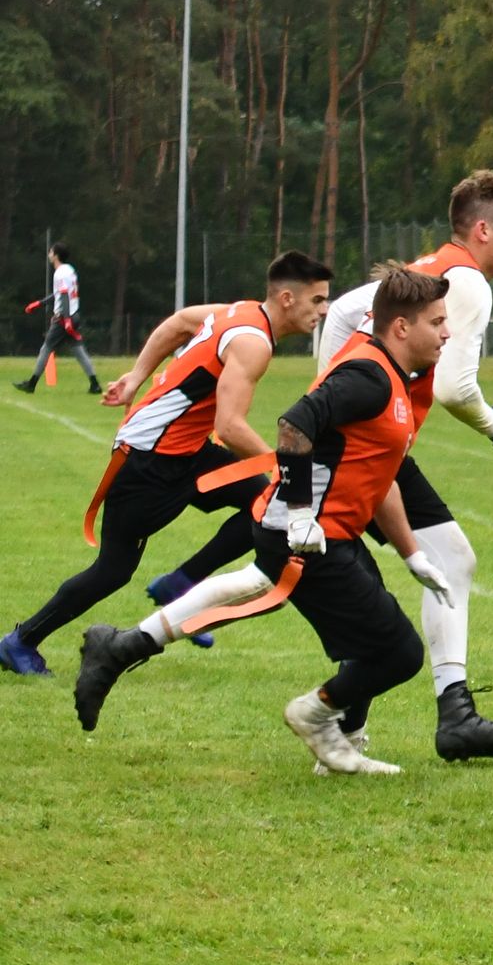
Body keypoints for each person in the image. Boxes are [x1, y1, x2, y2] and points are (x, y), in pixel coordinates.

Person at [70, 266, 458, 774]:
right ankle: (319, 721)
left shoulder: (392, 378)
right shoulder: (368, 377)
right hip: (308, 536)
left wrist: (412, 554)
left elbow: (379, 476)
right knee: (398, 652)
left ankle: (121, 646)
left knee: (273, 591)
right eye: (437, 322)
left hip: (318, 532)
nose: (447, 332)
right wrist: (300, 514)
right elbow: (293, 425)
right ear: (402, 327)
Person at [0, 254, 333, 681]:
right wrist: (287, 468)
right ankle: (21, 640)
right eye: (317, 300)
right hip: (149, 460)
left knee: (262, 502)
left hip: (186, 453)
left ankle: (181, 582)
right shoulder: (253, 342)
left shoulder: (238, 312)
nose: (324, 310)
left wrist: (136, 377)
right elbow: (230, 427)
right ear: (287, 298)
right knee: (113, 570)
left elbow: (178, 323)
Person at [314, 170, 493, 762]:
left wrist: (331, 391)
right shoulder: (469, 282)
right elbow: (455, 388)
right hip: (362, 450)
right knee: (283, 578)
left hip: (364, 446)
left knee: (445, 561)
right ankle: (136, 639)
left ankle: (447, 715)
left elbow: (342, 312)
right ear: (484, 229)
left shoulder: (430, 269)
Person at [15, 243, 103, 394]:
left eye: (51, 252)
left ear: (56, 255)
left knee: (46, 349)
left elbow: (63, 295)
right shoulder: (70, 270)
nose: (49, 254)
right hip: (74, 314)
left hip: (64, 317)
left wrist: (66, 319)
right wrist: (40, 303)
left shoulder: (60, 273)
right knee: (79, 351)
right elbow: (60, 294)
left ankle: (31, 384)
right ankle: (95, 384)